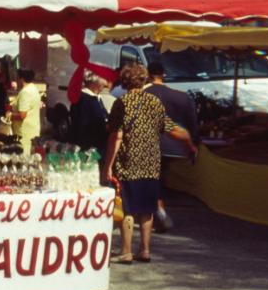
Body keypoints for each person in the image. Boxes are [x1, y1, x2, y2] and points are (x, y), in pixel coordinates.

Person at [102, 63, 197, 264]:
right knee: (147, 208)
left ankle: (126, 251)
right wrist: (190, 144)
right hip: (152, 162)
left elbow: (116, 135)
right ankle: (145, 249)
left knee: (127, 209)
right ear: (144, 79)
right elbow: (174, 129)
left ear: (125, 81)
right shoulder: (155, 102)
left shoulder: (122, 102)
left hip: (128, 162)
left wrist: (108, 164)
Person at [143, 59, 199, 232]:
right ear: (164, 75)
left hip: (149, 144)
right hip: (174, 146)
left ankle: (158, 211)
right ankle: (158, 209)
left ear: (148, 74)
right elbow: (192, 123)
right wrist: (193, 144)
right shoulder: (182, 96)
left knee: (153, 179)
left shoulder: (141, 96)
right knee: (159, 177)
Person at [69, 73, 111, 156]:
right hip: (88, 148)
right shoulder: (83, 99)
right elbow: (82, 125)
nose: (105, 85)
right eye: (103, 84)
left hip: (97, 146)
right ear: (95, 83)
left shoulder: (95, 97)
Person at [12, 69, 42, 154]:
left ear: (21, 79)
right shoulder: (33, 88)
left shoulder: (25, 92)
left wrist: (9, 116)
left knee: (24, 157)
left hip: (25, 132)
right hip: (33, 129)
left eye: (17, 77)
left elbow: (22, 115)